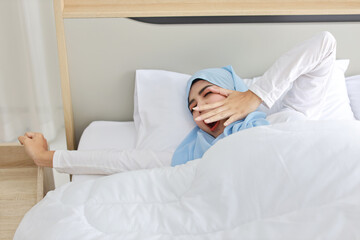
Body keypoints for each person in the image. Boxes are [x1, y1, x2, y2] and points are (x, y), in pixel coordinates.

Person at [18, 31, 337, 173]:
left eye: (207, 93)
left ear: (233, 91)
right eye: (192, 106)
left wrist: (255, 97)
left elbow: (324, 44)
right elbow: (120, 160)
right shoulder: (189, 158)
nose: (198, 108)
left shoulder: (290, 118)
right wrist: (46, 158)